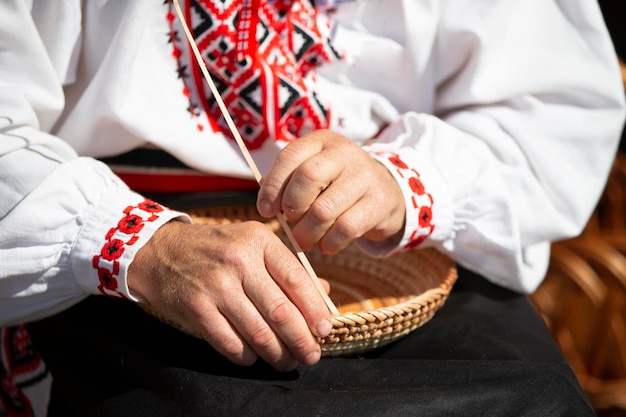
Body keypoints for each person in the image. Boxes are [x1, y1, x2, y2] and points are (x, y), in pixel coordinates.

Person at [1, 0, 624, 416]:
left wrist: (405, 178)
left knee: (529, 403)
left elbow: (549, 105)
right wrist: (134, 243)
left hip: (403, 243)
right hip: (99, 262)